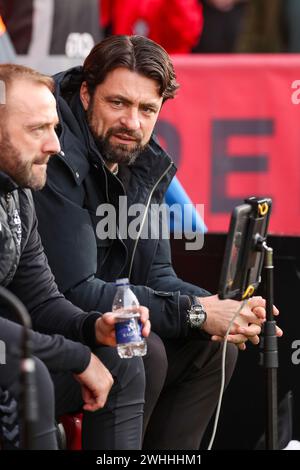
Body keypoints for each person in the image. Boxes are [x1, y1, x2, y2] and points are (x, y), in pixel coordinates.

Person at [33, 35, 282, 450]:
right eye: (118, 103)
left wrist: (222, 310)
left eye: (147, 109)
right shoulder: (53, 153)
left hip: (107, 328)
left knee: (215, 351)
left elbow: (158, 274)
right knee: (142, 347)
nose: (132, 121)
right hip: (46, 341)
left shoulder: (138, 157)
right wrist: (197, 313)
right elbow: (74, 291)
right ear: (85, 92)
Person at [0, 63, 150, 449]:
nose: (54, 145)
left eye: (55, 127)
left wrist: (93, 327)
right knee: (32, 377)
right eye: (37, 129)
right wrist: (76, 356)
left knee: (124, 358)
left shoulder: (18, 192)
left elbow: (42, 300)